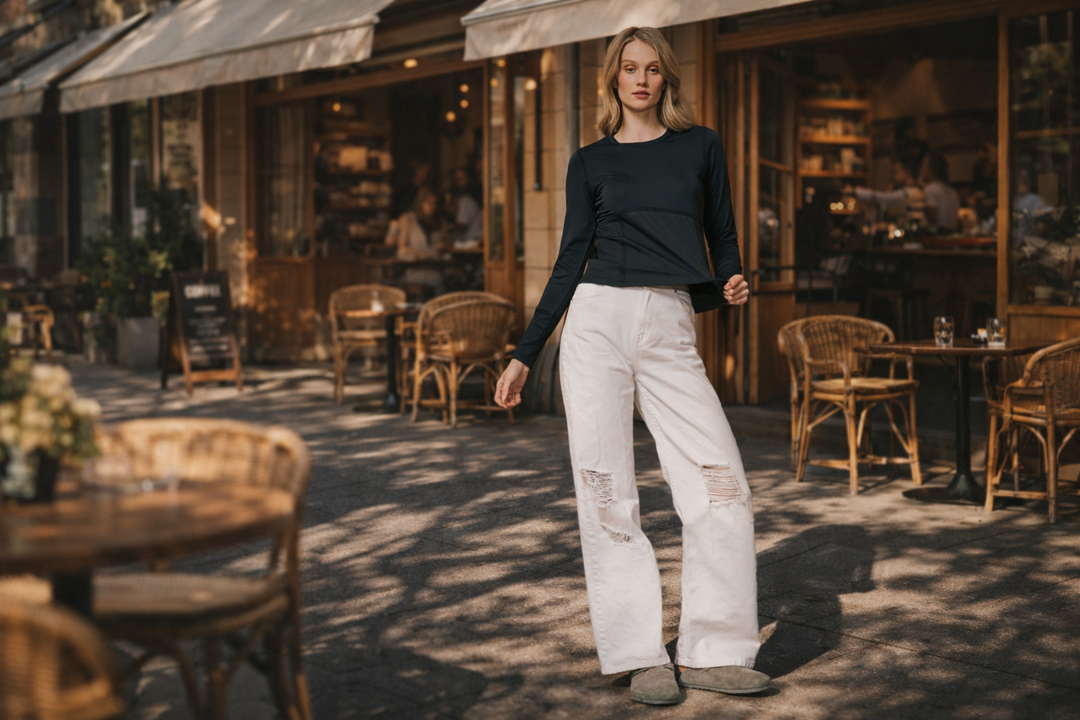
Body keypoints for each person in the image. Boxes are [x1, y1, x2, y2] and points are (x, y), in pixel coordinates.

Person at [494, 26, 765, 707]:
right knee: (607, 490)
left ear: (667, 79)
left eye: (652, 70)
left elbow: (724, 234)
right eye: (629, 69)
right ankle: (640, 652)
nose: (641, 80)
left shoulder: (699, 145)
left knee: (720, 483)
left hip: (669, 321)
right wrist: (527, 353)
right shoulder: (589, 161)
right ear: (613, 80)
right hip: (594, 324)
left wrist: (731, 278)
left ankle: (716, 649)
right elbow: (568, 257)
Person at [385, 188, 443, 294]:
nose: (433, 207)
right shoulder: (408, 219)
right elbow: (401, 247)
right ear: (420, 203)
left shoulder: (437, 222)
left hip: (434, 270)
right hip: (413, 271)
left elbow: (441, 246)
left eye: (435, 203)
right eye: (429, 203)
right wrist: (418, 255)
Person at [849, 156, 927, 228]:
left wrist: (854, 192)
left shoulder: (909, 193)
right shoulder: (915, 189)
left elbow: (880, 197)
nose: (891, 176)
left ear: (907, 172)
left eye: (894, 172)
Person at [919, 152, 960, 232]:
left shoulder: (930, 189)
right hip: (953, 236)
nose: (921, 170)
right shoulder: (952, 191)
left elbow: (932, 220)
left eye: (923, 166)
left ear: (931, 170)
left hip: (937, 238)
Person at [449, 166, 483, 249]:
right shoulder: (474, 198)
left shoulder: (466, 199)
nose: (459, 183)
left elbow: (462, 224)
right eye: (456, 179)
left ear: (470, 179)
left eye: (462, 179)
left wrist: (449, 228)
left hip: (472, 242)